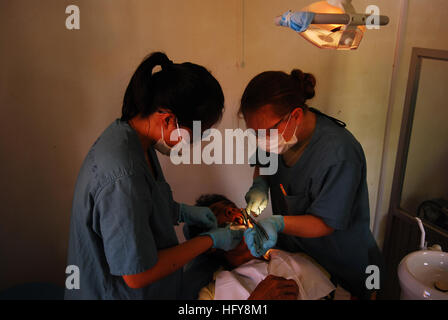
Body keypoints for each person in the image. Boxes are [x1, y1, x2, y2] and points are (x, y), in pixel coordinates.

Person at [65, 52, 243, 300]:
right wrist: (210, 241)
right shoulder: (122, 174)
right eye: (195, 134)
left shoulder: (138, 143)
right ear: (168, 118)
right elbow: (137, 275)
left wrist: (180, 211)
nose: (194, 142)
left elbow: (144, 206)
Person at [240, 69, 384, 299]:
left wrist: (277, 223)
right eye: (254, 133)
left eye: (265, 132)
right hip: (303, 258)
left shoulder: (339, 154)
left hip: (347, 264)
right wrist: (259, 185)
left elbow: (325, 224)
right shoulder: (277, 133)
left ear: (295, 116)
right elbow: (264, 161)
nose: (261, 140)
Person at [184, 194, 340, 300]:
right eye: (219, 213)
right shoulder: (212, 294)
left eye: (232, 207)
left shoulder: (299, 259)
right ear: (211, 243)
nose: (231, 210)